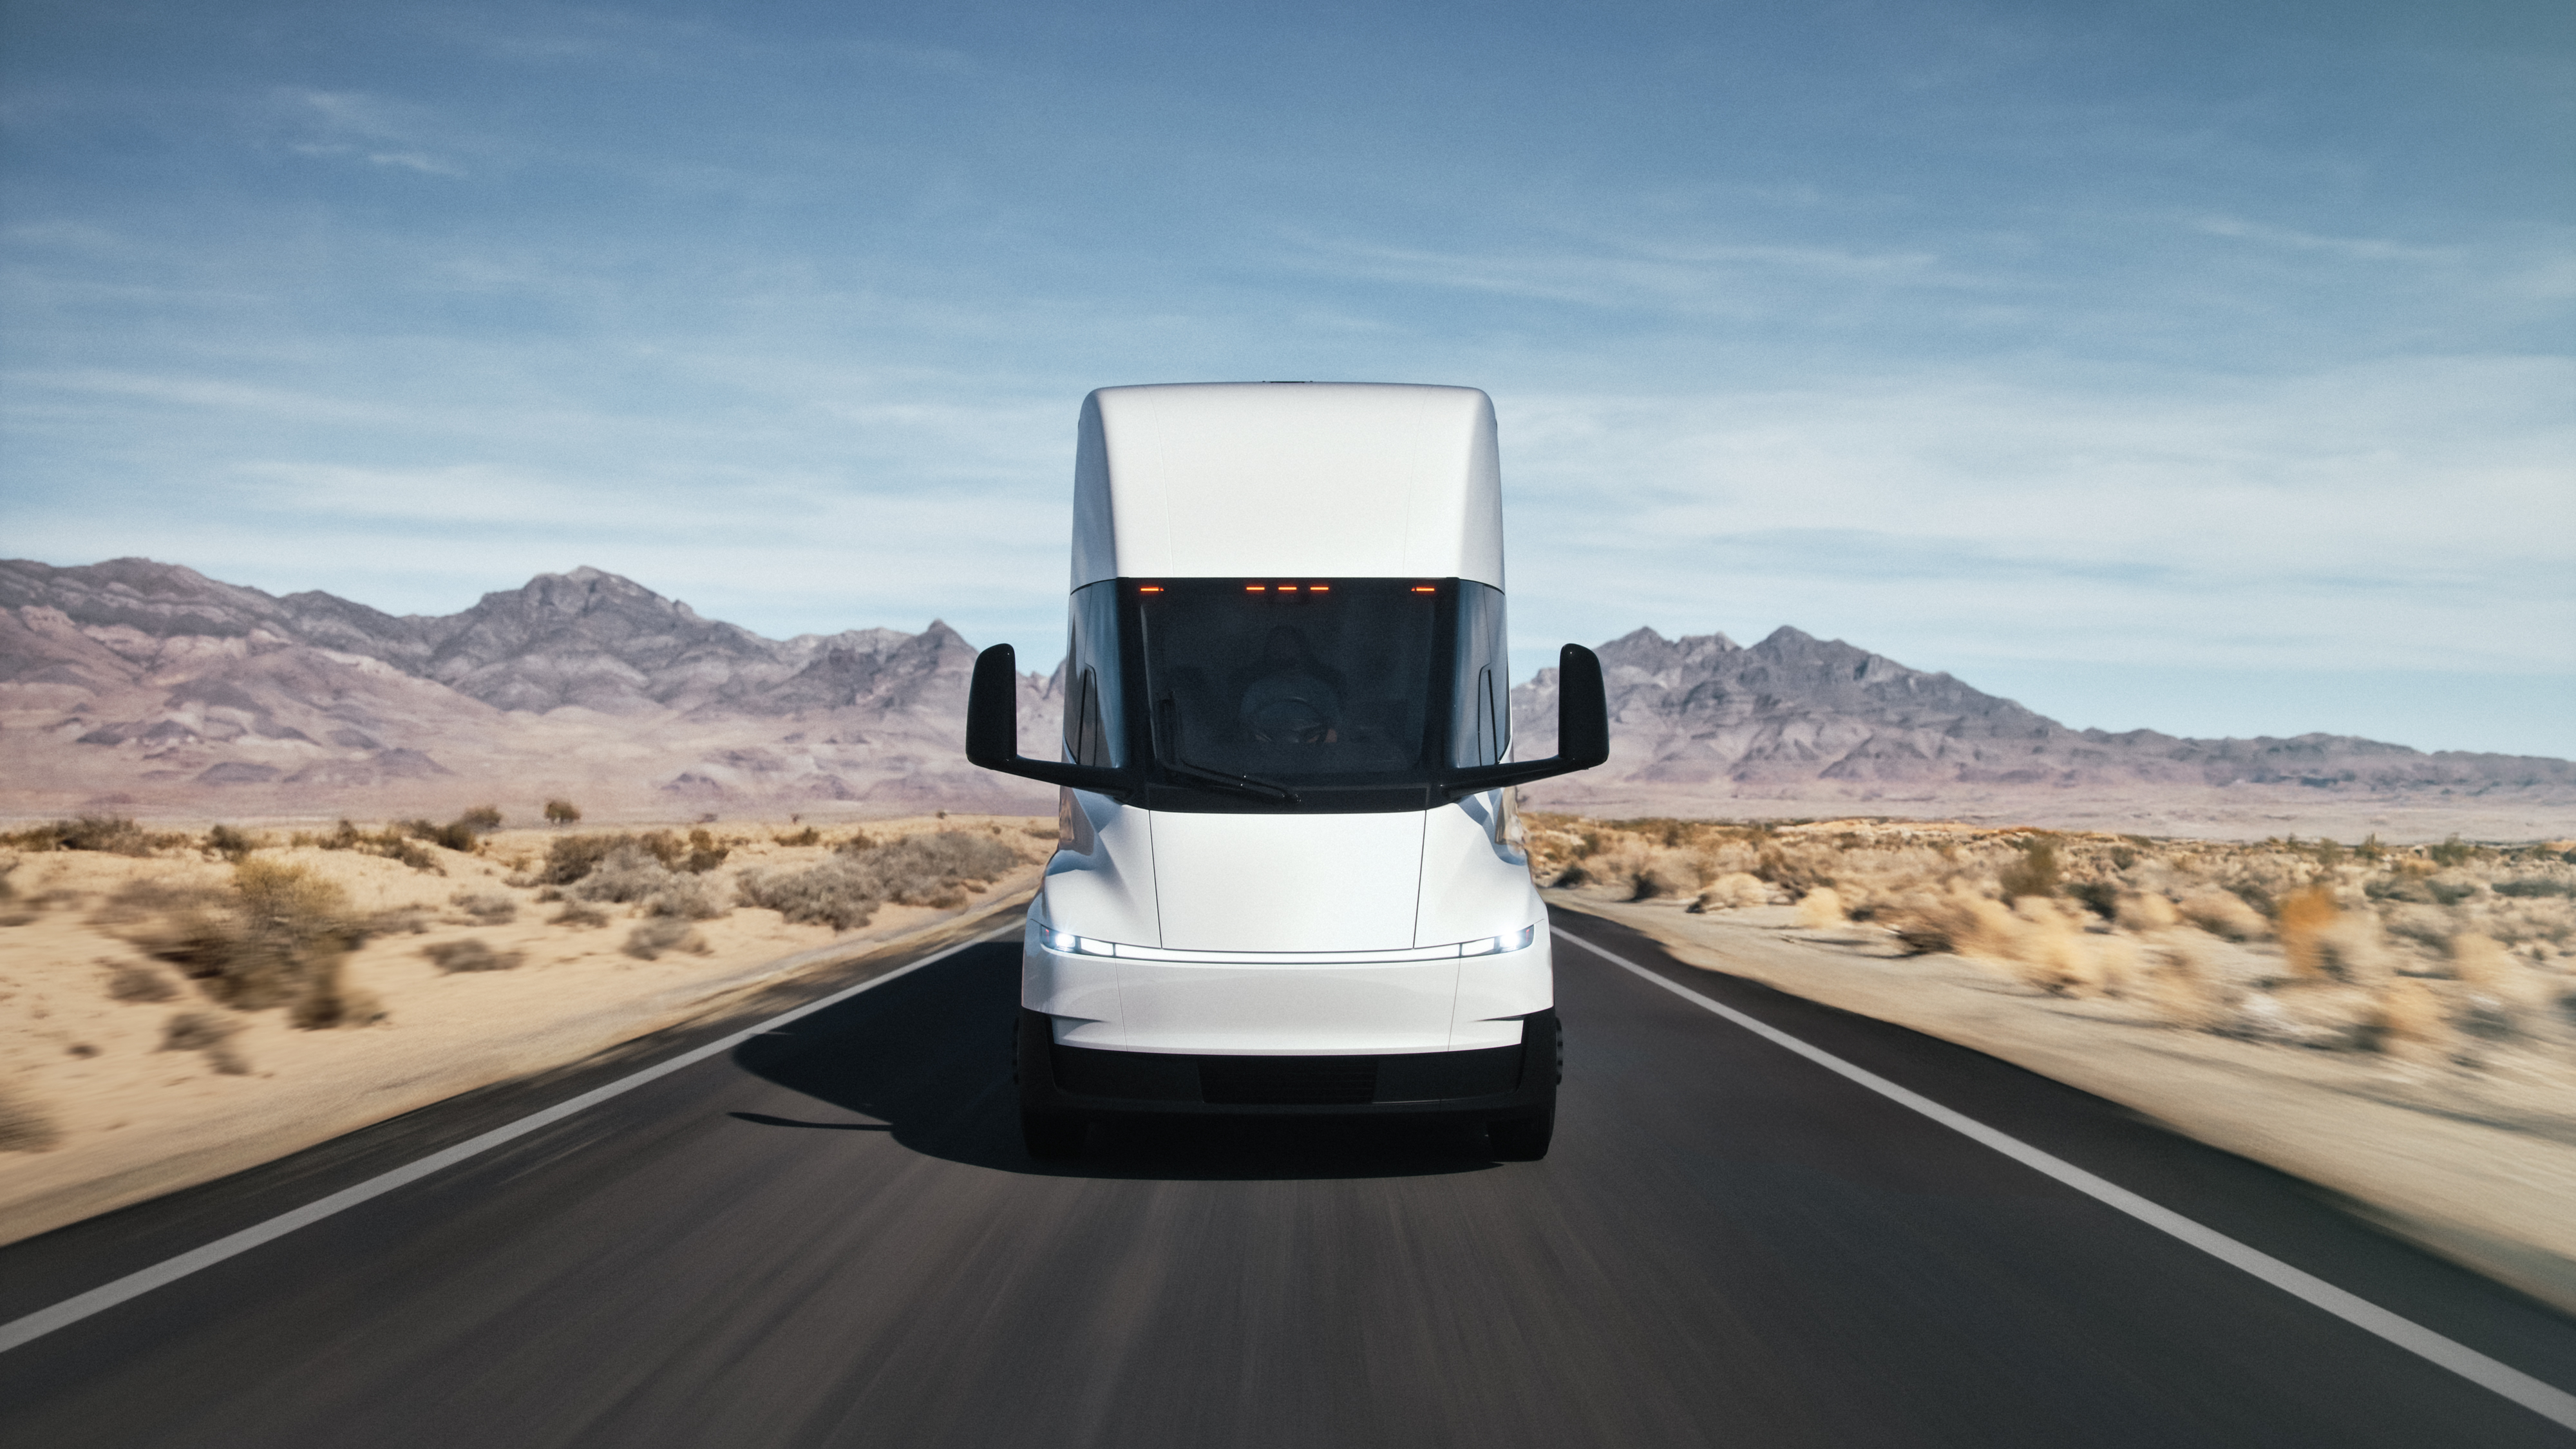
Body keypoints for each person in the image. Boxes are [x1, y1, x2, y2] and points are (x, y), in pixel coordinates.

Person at [1237, 625, 1341, 745]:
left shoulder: (1322, 691)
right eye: (1277, 646)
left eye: (1288, 645)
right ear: (1269, 652)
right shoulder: (1257, 690)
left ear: (1302, 649)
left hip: (1315, 755)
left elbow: (1336, 728)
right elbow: (1245, 728)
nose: (1282, 651)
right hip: (1265, 756)